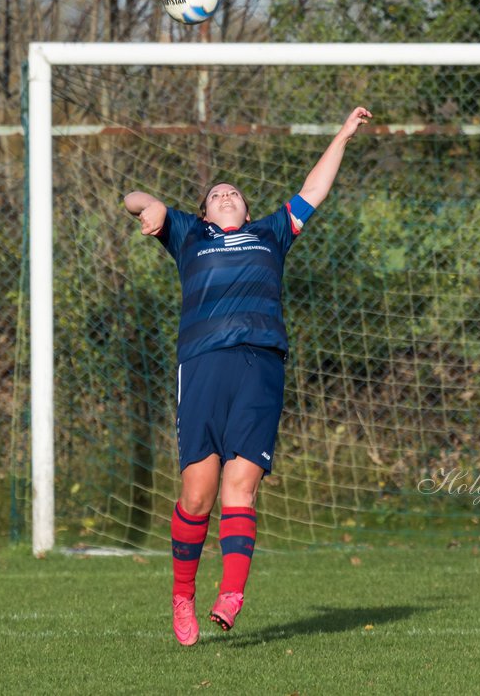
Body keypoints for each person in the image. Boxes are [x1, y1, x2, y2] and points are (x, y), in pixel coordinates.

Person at [124, 106, 372, 646]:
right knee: (197, 495)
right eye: (216, 193)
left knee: (241, 489)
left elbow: (313, 188)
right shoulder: (189, 235)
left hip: (260, 366)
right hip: (204, 366)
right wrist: (150, 207)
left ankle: (232, 592)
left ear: (248, 206)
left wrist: (342, 136)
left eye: (233, 191)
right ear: (205, 211)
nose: (227, 195)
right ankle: (182, 595)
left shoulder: (271, 234)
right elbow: (135, 198)